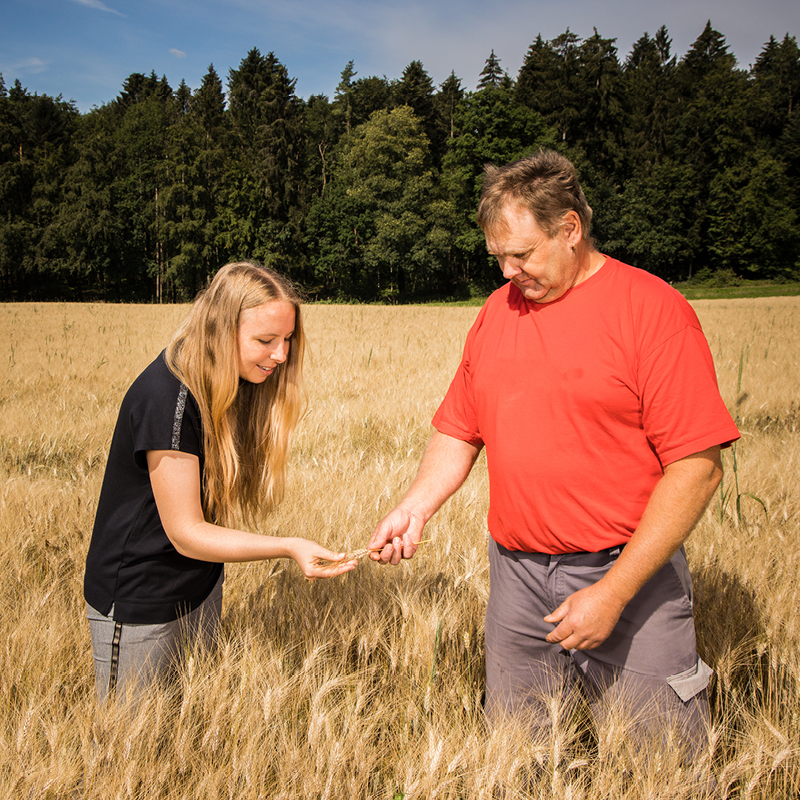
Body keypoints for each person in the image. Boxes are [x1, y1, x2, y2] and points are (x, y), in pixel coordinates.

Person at [368, 150, 740, 755]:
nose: (509, 272)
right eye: (498, 258)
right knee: (518, 761)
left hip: (628, 575)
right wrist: (415, 506)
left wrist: (614, 592)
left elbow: (697, 468)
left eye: (522, 254)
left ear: (571, 229)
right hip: (515, 577)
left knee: (661, 765)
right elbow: (461, 428)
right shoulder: (495, 314)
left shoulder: (653, 313)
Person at [84, 262, 356, 702]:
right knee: (127, 750)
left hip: (202, 586)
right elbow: (186, 533)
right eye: (265, 341)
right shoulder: (167, 397)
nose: (281, 355)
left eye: (287, 339)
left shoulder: (228, 381)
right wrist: (289, 546)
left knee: (185, 734)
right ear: (219, 331)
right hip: (142, 603)